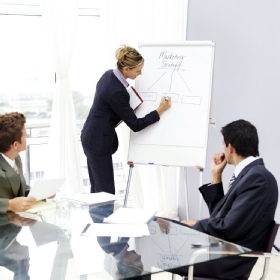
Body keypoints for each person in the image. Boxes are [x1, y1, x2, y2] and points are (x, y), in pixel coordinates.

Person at [178, 119, 278, 279]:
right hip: (223, 252)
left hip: (230, 262)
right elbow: (220, 217)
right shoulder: (250, 175)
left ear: (230, 147)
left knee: (149, 254)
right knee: (153, 251)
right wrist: (216, 174)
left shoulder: (257, 178)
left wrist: (196, 224)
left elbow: (229, 227)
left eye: (223, 144)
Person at [81, 45, 171, 194]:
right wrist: (159, 110)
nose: (140, 73)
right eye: (138, 70)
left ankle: (98, 218)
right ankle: (104, 218)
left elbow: (109, 108)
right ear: (126, 69)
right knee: (105, 193)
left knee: (97, 190)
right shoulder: (118, 92)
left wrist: (124, 109)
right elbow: (136, 125)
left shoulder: (108, 75)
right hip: (97, 142)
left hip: (90, 136)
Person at [0, 112, 37, 213]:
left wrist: (39, 195)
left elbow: (20, 188)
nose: (27, 137)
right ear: (15, 145)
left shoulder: (16, 158)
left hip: (16, 220)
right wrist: (9, 205)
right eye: (25, 136)